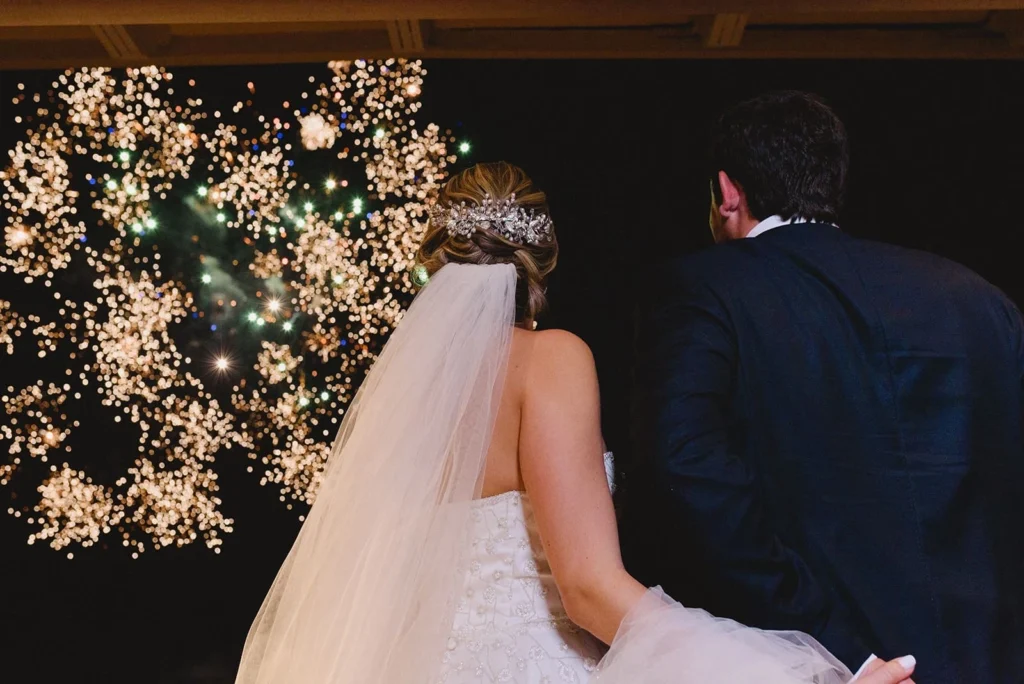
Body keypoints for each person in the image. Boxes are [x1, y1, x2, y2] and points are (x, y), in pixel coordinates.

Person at [235, 162, 916, 684]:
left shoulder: (403, 395)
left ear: (435, 260)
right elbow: (589, 588)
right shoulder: (550, 361)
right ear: (544, 261)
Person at [626, 91, 1024, 684]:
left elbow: (689, 474)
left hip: (818, 667)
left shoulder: (702, 290)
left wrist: (843, 652)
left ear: (727, 192)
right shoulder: (979, 299)